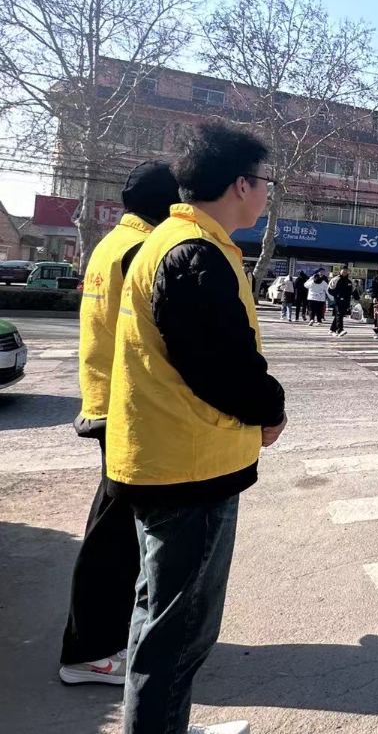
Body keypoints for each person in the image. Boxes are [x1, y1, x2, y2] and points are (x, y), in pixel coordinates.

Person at [106, 123, 285, 734]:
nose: (267, 194)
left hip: (168, 457)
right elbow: (222, 364)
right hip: (189, 468)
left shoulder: (178, 242)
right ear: (240, 185)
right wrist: (271, 409)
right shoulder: (193, 253)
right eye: (265, 182)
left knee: (157, 615)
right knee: (179, 633)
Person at [58, 161, 181, 688]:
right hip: (127, 408)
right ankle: (89, 650)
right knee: (115, 538)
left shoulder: (112, 243)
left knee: (112, 528)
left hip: (106, 401)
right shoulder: (143, 251)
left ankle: (100, 640)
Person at [329, 267, 353, 337]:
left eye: (346, 271)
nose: (345, 272)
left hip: (346, 300)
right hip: (337, 300)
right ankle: (340, 330)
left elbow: (353, 290)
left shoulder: (350, 281)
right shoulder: (335, 279)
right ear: (340, 271)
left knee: (340, 315)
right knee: (339, 313)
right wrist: (336, 295)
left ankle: (332, 329)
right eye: (343, 271)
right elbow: (330, 289)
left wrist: (357, 297)